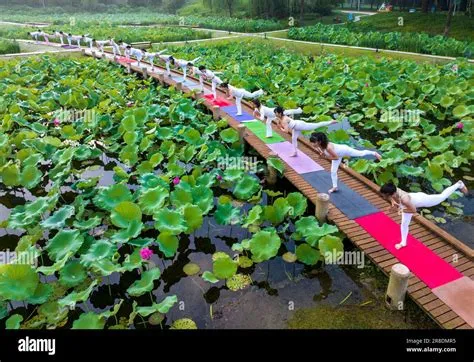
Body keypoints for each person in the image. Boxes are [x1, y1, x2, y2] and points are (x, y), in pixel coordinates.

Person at [379, 181, 468, 250]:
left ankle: (459, 184)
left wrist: (399, 209)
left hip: (425, 200)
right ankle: (403, 243)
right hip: (412, 200)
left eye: (384, 196)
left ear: (392, 194)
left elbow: (413, 210)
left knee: (442, 196)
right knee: (404, 224)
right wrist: (393, 202)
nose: (383, 198)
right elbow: (391, 197)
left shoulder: (404, 199)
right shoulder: (393, 190)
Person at [310, 132, 381, 193]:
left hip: (344, 150)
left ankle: (374, 153)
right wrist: (322, 154)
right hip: (337, 153)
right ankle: (335, 187)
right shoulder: (318, 146)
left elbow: (336, 158)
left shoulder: (328, 147)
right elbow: (323, 152)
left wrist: (324, 157)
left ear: (319, 142)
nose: (312, 144)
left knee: (360, 153)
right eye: (312, 142)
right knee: (333, 171)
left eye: (314, 142)